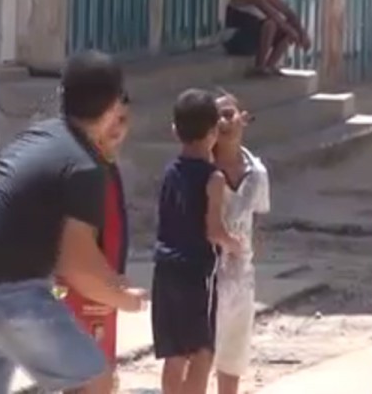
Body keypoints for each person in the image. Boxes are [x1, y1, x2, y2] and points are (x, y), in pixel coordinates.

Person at [0, 50, 148, 394]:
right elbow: (76, 264)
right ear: (113, 107)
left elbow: (75, 250)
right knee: (93, 379)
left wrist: (112, 281)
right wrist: (124, 299)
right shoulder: (85, 166)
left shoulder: (40, 136)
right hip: (7, 291)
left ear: (63, 95)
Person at [151, 89, 238, 394]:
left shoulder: (169, 172)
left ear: (175, 131)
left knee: (173, 354)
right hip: (196, 272)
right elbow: (212, 230)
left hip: (164, 268)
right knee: (202, 350)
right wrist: (234, 243)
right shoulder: (213, 179)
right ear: (214, 132)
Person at [61, 95, 131, 389]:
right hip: (82, 294)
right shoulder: (83, 170)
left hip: (101, 294)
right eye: (112, 119)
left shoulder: (106, 167)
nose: (118, 129)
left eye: (124, 120)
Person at [210, 94, 271, 394]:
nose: (223, 122)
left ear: (243, 118)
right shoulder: (202, 171)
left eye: (228, 113)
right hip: (206, 278)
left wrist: (247, 255)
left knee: (232, 360)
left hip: (241, 279)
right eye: (215, 116)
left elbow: (258, 219)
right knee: (198, 358)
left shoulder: (258, 174)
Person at [223, 0, 312, 77]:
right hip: (235, 38)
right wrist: (291, 31)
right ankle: (259, 66)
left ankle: (270, 66)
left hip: (252, 36)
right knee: (271, 24)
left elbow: (287, 12)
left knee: (285, 29)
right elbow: (268, 11)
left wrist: (301, 32)